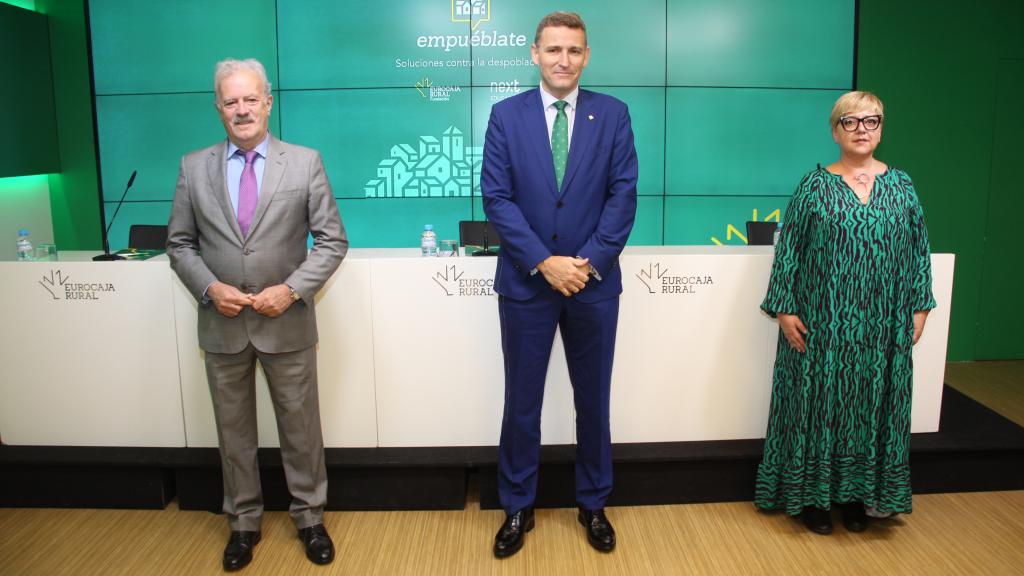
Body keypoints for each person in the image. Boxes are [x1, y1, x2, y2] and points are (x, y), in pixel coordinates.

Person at [166, 58, 347, 570]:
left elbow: (332, 242)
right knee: (234, 433)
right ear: (218, 108)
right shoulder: (193, 166)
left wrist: (290, 290)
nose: (242, 109)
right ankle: (242, 523)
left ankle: (310, 519)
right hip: (222, 323)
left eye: (251, 99)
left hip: (285, 321)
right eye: (231, 101)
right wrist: (208, 289)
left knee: (301, 430)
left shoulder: (305, 162)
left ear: (269, 102)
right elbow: (179, 244)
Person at [480, 11, 638, 558]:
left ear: (586, 55)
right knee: (521, 402)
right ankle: (517, 505)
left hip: (593, 287)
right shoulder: (505, 116)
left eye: (573, 50)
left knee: (593, 401)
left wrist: (586, 263)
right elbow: (497, 199)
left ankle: (593, 503)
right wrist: (545, 262)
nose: (563, 60)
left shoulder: (613, 115)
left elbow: (623, 197)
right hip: (527, 284)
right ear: (534, 54)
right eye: (553, 50)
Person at [756, 91, 935, 534]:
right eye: (850, 122)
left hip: (883, 324)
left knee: (871, 408)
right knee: (818, 409)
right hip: (823, 322)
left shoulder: (903, 184)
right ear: (835, 130)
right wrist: (783, 308)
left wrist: (919, 306)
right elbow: (789, 252)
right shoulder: (814, 185)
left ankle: (858, 497)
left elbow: (918, 250)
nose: (861, 130)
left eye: (871, 121)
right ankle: (813, 499)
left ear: (881, 128)